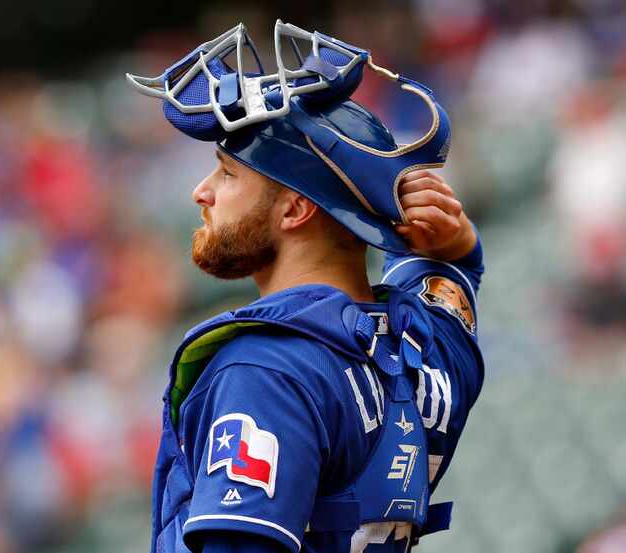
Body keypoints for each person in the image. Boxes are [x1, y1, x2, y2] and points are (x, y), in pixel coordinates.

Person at [129, 21, 484, 553]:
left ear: (296, 207)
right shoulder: (428, 347)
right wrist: (456, 245)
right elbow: (455, 276)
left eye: (227, 174)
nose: (201, 192)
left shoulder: (264, 369)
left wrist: (452, 244)